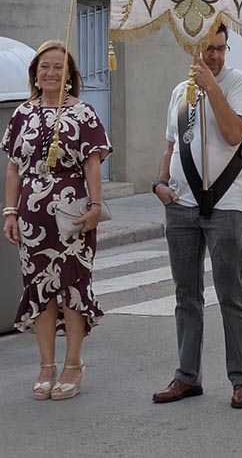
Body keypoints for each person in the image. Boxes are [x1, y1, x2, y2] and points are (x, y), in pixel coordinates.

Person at [151, 24, 242, 409]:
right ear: (192, 49)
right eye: (209, 49)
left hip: (226, 204)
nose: (216, 55)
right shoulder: (179, 92)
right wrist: (160, 182)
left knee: (232, 293)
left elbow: (234, 134)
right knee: (186, 294)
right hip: (180, 205)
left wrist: (211, 87)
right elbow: (170, 145)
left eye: (221, 48)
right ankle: (187, 375)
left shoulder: (237, 82)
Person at [2, 40, 111, 401]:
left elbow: (92, 163)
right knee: (40, 289)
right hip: (32, 219)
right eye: (44, 66)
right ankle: (46, 365)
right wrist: (10, 211)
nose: (50, 72)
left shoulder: (83, 113)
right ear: (35, 73)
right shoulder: (23, 113)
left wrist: (95, 206)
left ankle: (73, 364)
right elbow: (14, 167)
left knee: (72, 289)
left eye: (58, 67)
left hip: (72, 214)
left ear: (69, 75)